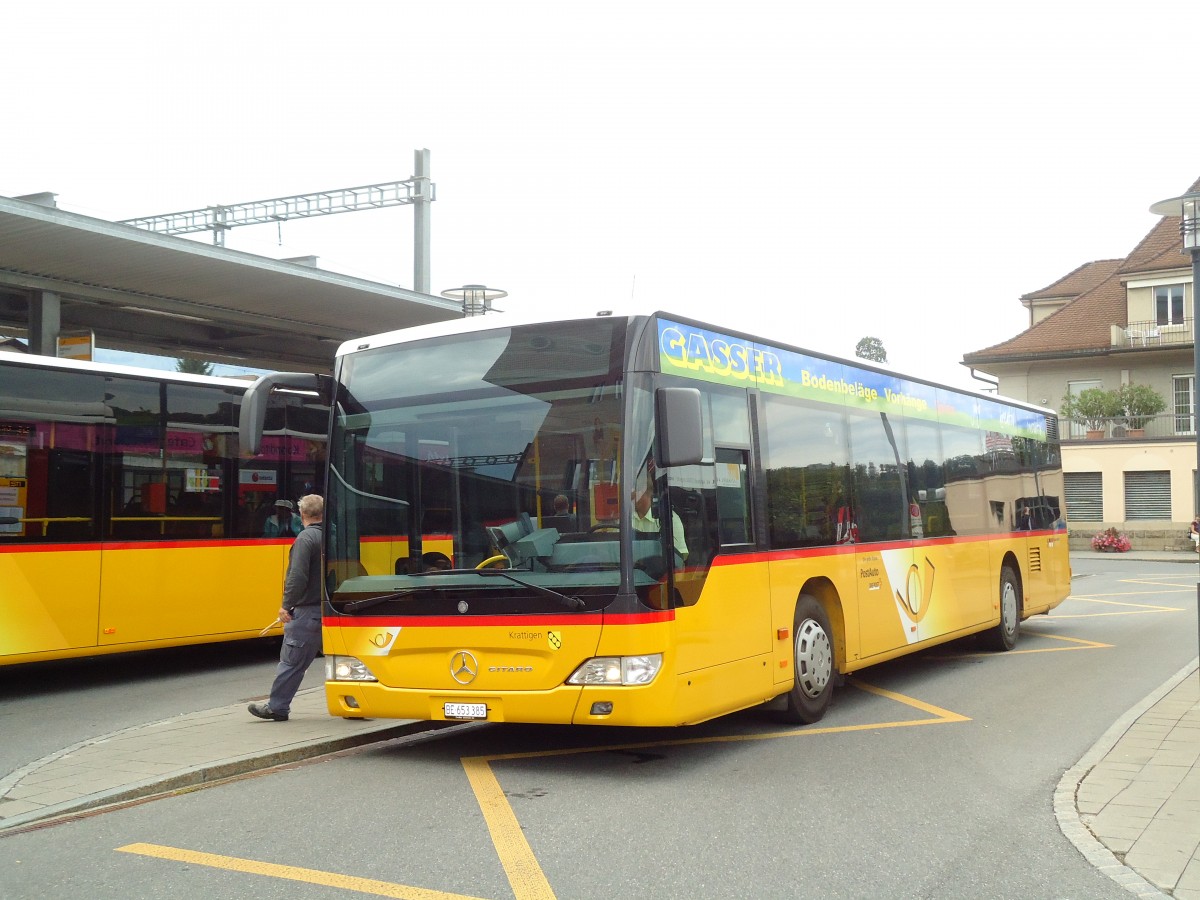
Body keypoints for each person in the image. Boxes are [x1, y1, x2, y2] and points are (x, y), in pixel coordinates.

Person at [249, 494, 325, 722]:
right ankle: (358, 704)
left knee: (291, 662)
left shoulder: (306, 538)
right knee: (346, 660)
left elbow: (297, 577)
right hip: (333, 609)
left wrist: (286, 605)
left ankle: (277, 707)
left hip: (308, 612)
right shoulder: (334, 534)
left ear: (302, 514)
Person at [632, 458, 688, 563]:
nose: (629, 496)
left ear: (642, 491)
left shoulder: (670, 520)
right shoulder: (624, 519)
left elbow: (679, 563)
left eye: (632, 491)